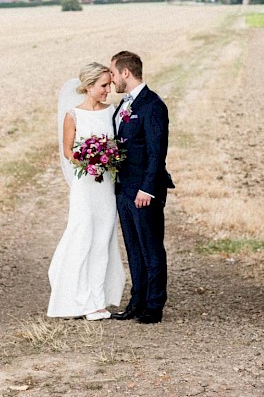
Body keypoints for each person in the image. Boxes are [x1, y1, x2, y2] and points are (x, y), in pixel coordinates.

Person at [47, 63, 126, 320]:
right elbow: (68, 150)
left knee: (104, 238)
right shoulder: (74, 115)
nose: (107, 90)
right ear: (89, 86)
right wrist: (87, 161)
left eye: (109, 85)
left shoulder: (112, 112)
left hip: (106, 186)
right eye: (103, 85)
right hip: (84, 186)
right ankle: (74, 297)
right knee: (82, 236)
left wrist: (107, 158)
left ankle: (97, 300)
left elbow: (116, 145)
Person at [109, 51, 173, 324]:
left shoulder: (153, 105)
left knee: (151, 248)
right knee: (133, 249)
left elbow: (158, 152)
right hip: (123, 189)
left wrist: (147, 189)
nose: (111, 80)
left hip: (144, 191)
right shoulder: (124, 104)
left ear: (126, 73)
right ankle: (137, 301)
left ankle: (154, 305)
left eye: (113, 74)